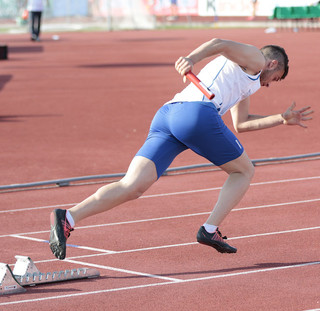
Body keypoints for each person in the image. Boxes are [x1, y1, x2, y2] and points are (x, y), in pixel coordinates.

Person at [49, 38, 313, 260]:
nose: (268, 84)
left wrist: (281, 118)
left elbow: (241, 124)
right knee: (244, 171)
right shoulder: (256, 59)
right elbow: (219, 43)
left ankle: (68, 217)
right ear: (272, 64)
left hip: (168, 115)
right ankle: (210, 229)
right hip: (197, 114)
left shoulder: (247, 81)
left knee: (133, 186)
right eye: (275, 79)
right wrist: (190, 58)